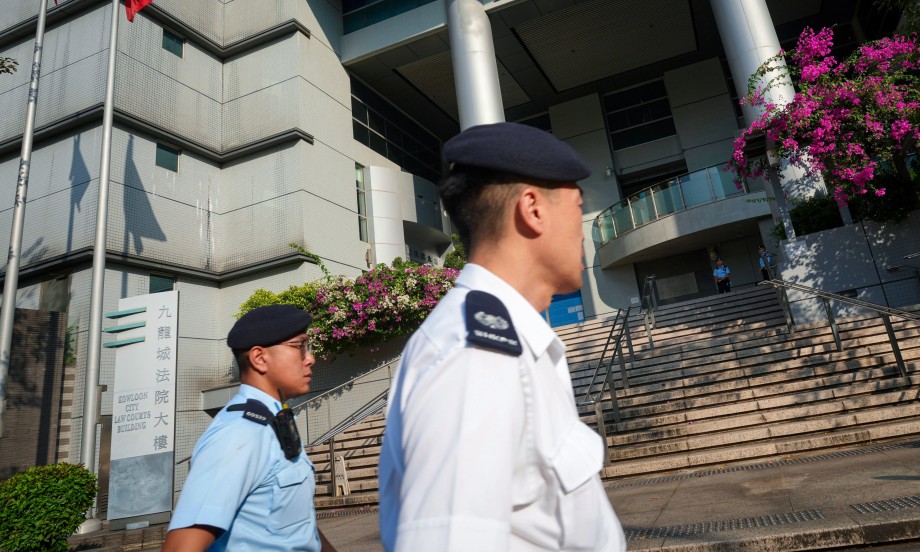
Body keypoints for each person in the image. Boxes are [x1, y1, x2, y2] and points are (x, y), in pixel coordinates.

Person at [378, 122, 625, 552]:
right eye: (577, 206)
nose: (583, 226)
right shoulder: (476, 356)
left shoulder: (511, 344)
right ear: (533, 208)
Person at [162, 305, 336, 552]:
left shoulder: (273, 421)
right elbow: (181, 547)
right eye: (300, 347)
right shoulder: (239, 433)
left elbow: (294, 527)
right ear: (259, 358)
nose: (310, 358)